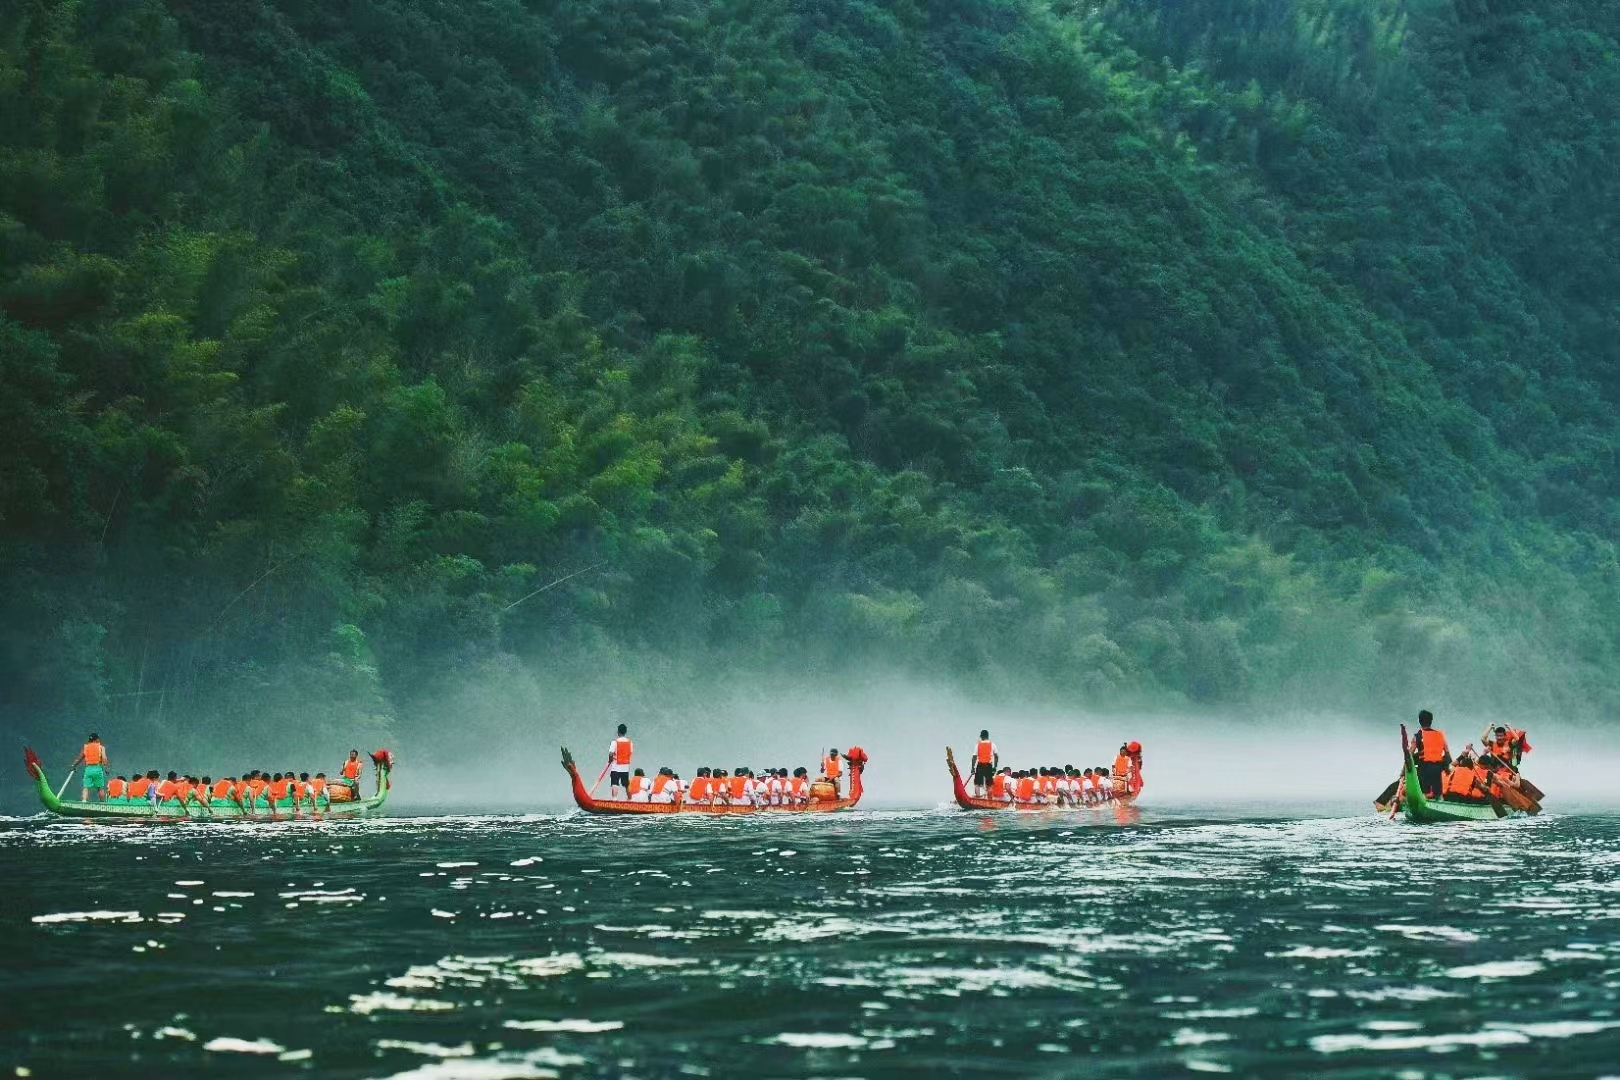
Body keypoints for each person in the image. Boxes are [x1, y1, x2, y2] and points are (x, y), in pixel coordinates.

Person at [1410, 710, 1450, 798]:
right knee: (1438, 793)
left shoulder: (1417, 736)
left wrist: (1404, 770)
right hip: (1438, 768)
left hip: (1424, 767)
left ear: (1419, 721)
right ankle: (1439, 802)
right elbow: (1447, 752)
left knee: (1424, 791)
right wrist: (1447, 767)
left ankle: (1424, 801)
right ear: (1431, 721)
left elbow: (1409, 755)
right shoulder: (1440, 734)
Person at [72, 733, 109, 803]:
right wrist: (106, 768)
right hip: (98, 769)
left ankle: (84, 801)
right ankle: (102, 803)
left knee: (86, 787)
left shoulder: (86, 747)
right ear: (97, 739)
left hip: (88, 769)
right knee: (100, 788)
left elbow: (79, 758)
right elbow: (104, 758)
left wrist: (74, 766)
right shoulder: (101, 747)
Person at [972, 730, 998, 797]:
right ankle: (990, 799)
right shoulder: (993, 744)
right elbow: (996, 757)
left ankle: (977, 797)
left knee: (977, 783)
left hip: (980, 765)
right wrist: (995, 767)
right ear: (987, 736)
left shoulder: (978, 745)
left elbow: (974, 757)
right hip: (988, 766)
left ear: (981, 736)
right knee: (989, 784)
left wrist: (972, 767)